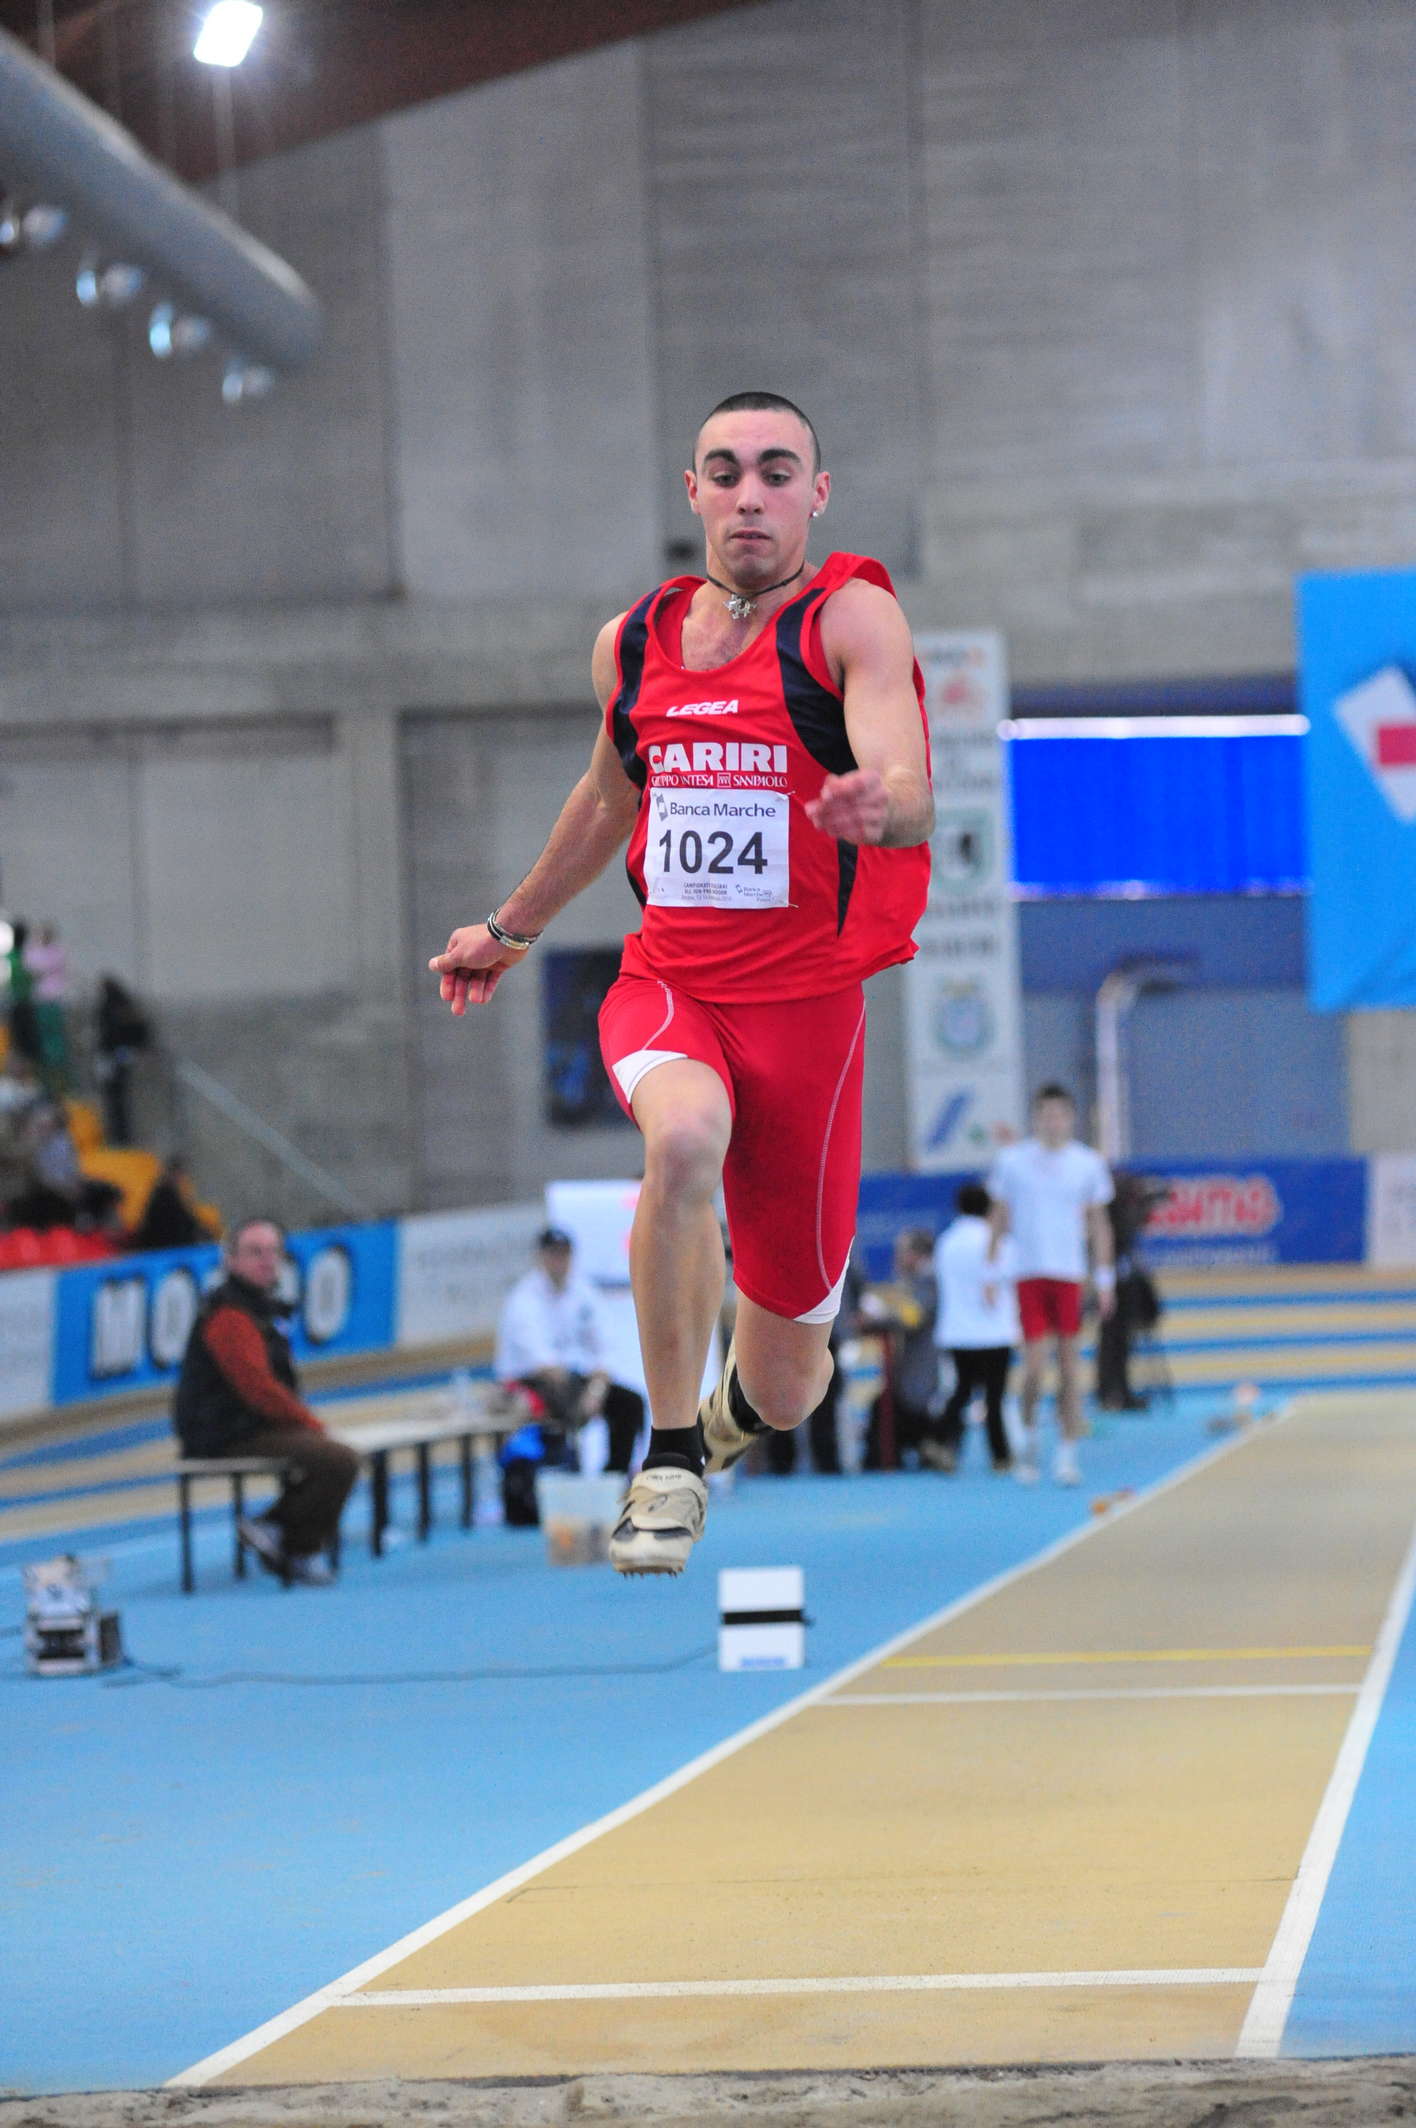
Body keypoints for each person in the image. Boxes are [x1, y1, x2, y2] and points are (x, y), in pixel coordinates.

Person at [429, 391, 933, 1574]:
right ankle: (669, 1459)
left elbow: (910, 784)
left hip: (807, 1017)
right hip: (673, 988)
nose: (750, 494)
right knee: (684, 1138)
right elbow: (609, 797)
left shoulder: (849, 619)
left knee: (792, 1383)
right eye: (726, 471)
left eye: (776, 471)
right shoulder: (634, 642)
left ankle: (728, 1415)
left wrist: (879, 804)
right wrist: (508, 927)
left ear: (817, 493)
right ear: (694, 491)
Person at [172, 1218, 359, 1585]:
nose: (267, 1260)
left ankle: (279, 1531)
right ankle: (291, 1540)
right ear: (231, 1260)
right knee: (338, 1459)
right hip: (224, 1432)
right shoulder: (230, 1315)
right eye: (255, 1252)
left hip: (249, 1424)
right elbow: (256, 1386)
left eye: (274, 1252)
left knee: (329, 1456)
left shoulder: (263, 1307)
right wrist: (307, 1422)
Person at [987, 1084, 1114, 1486]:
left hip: (1069, 1274)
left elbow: (1099, 1224)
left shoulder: (1087, 1163)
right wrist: (990, 1272)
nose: (1053, 1122)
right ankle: (1028, 1442)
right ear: (1035, 1118)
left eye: (1060, 1115)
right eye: (1045, 1115)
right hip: (1028, 1273)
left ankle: (1067, 1454)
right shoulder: (1012, 1161)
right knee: (1034, 1369)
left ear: (1071, 1119)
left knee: (1070, 1369)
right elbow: (998, 1216)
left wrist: (1105, 1278)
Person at [495, 1225, 646, 1480]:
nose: (559, 1260)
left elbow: (604, 1346)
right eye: (553, 1254)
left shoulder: (583, 1291)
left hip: (576, 1379)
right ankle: (568, 1473)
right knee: (567, 1402)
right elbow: (541, 1362)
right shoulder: (523, 1299)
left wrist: (596, 1390)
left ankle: (614, 1476)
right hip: (532, 1381)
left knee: (630, 1403)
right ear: (541, 1257)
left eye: (564, 1254)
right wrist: (583, 1394)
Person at [926, 1182, 1019, 1474]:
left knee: (961, 1391)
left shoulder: (946, 1242)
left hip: (958, 1331)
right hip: (994, 1332)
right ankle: (1000, 1455)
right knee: (994, 1396)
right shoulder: (999, 1243)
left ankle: (941, 1439)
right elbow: (1009, 1279)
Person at [94, 975, 151, 1146]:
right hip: (120, 1056)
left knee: (115, 1097)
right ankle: (120, 1135)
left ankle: (120, 1135)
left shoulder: (112, 1008)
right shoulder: (124, 1006)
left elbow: (109, 1034)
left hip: (114, 1056)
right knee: (117, 1097)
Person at [130, 1155, 219, 1252]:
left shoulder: (170, 1194)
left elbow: (190, 1220)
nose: (182, 1179)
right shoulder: (164, 1196)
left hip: (168, 1245)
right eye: (179, 1175)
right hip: (165, 1248)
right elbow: (185, 1221)